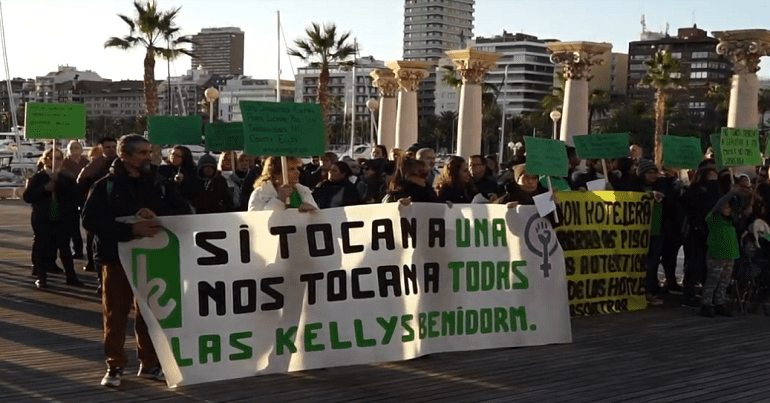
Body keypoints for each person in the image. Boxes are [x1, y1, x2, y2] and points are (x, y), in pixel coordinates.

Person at [81, 134, 191, 387]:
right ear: (125, 156)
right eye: (142, 152)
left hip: (154, 258)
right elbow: (90, 221)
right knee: (116, 314)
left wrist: (158, 215)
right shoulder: (105, 186)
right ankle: (115, 365)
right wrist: (131, 229)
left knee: (150, 314)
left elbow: (184, 211)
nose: (149, 157)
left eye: (149, 151)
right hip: (116, 259)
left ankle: (150, 363)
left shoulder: (160, 184)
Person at [23, 148, 83, 288]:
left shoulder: (66, 178)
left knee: (64, 248)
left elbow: (76, 196)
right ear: (45, 159)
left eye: (58, 158)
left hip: (62, 217)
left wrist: (59, 184)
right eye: (51, 157)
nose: (54, 161)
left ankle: (71, 276)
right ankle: (41, 277)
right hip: (43, 217)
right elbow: (27, 197)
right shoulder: (38, 177)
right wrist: (45, 189)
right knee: (42, 246)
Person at [701, 190, 742, 318]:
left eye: (729, 207)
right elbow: (720, 204)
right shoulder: (713, 219)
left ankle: (720, 303)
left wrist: (740, 195)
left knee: (724, 281)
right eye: (725, 207)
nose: (727, 209)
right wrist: (731, 193)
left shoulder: (730, 221)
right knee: (712, 280)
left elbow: (740, 206)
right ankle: (706, 303)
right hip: (716, 255)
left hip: (730, 255)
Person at [248, 156, 318, 212]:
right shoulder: (260, 194)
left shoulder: (304, 191)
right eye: (291, 169)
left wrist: (313, 211)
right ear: (276, 173)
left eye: (297, 168)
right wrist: (279, 200)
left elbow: (320, 221)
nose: (297, 172)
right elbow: (256, 222)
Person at [61, 140, 89, 259]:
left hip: (84, 196)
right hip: (69, 197)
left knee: (88, 224)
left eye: (77, 147)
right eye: (72, 147)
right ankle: (77, 250)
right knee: (73, 227)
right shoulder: (64, 162)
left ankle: (90, 251)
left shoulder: (86, 162)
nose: (74, 149)